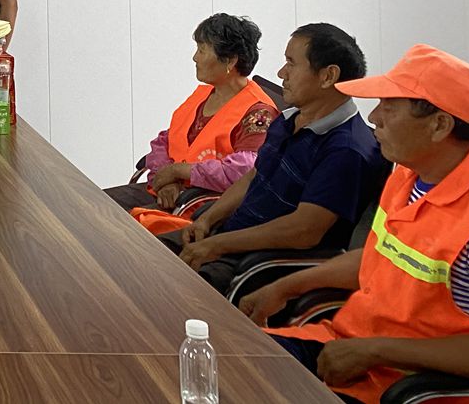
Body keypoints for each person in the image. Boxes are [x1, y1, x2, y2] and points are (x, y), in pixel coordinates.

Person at [242, 45, 469, 404]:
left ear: (440, 125)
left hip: (402, 385)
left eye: (389, 107)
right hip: (345, 346)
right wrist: (286, 286)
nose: (374, 117)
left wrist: (376, 351)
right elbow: (377, 256)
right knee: (227, 358)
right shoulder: (408, 175)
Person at [163, 23, 386, 294]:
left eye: (291, 63)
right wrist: (208, 220)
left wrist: (218, 245)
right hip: (229, 237)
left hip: (261, 261)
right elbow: (254, 175)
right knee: (143, 253)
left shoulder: (347, 150)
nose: (281, 73)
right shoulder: (290, 119)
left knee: (165, 289)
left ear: (328, 76)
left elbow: (304, 230)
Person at [104, 13, 278, 214]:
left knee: (109, 221)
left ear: (230, 61)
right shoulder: (204, 95)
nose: (195, 58)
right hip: (168, 191)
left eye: (202, 50)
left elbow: (245, 171)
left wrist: (180, 171)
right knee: (92, 203)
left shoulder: (259, 113)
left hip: (204, 205)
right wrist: (166, 180)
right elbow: (166, 140)